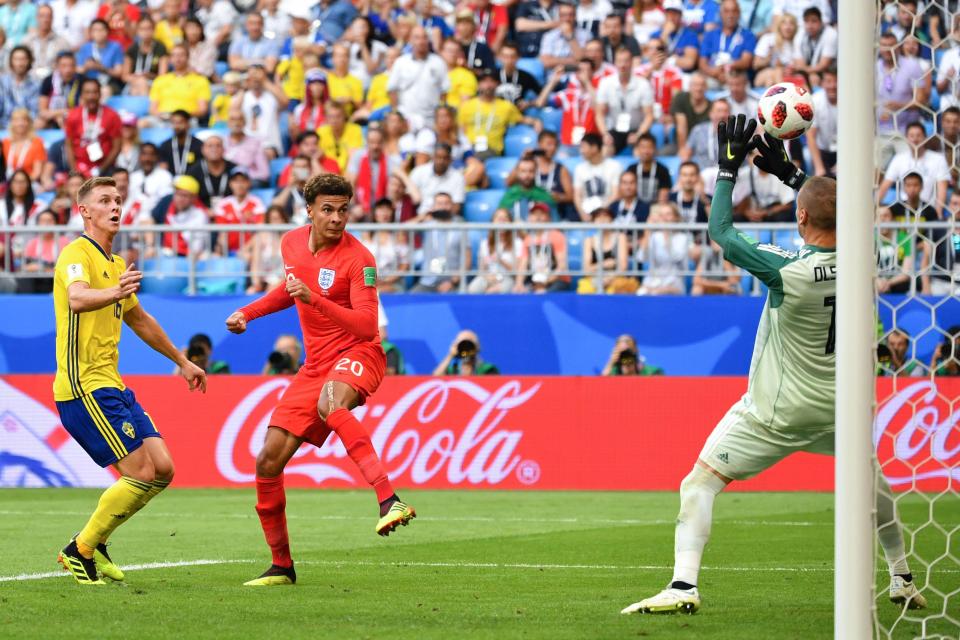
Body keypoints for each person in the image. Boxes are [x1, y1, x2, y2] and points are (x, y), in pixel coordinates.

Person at [621, 115, 926, 615]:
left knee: (700, 482)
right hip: (840, 410)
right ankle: (901, 576)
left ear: (800, 220)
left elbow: (721, 230)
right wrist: (794, 177)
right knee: (876, 490)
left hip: (775, 411)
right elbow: (833, 211)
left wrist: (727, 169)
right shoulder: (865, 255)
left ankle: (682, 586)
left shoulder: (788, 271)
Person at [225, 173, 416, 586]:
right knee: (268, 460)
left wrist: (317, 300)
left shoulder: (359, 259)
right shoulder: (291, 243)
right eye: (327, 210)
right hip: (315, 365)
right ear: (308, 210)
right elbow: (289, 290)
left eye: (343, 210)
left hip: (360, 355)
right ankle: (282, 566)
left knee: (331, 405)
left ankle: (389, 499)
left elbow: (367, 327)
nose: (336, 218)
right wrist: (249, 313)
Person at [53, 176, 206, 585]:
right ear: (85, 210)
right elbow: (78, 298)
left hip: (113, 384)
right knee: (139, 469)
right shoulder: (76, 254)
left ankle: (94, 541)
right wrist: (115, 294)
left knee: (162, 469)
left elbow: (139, 319)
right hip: (83, 386)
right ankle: (80, 549)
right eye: (104, 200)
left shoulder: (117, 265)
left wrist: (182, 361)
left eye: (118, 199)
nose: (115, 206)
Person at [595, 46, 654, 153]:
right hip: (614, 130)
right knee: (605, 151)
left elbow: (649, 115)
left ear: (631, 62)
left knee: (640, 153)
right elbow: (599, 113)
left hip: (637, 129)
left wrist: (638, 134)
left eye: (626, 61)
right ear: (615, 63)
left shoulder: (643, 84)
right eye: (619, 61)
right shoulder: (606, 83)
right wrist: (605, 134)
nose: (623, 65)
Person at [386, 26, 449, 127]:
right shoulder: (401, 62)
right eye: (417, 37)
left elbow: (444, 91)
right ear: (410, 40)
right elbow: (392, 89)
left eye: (424, 37)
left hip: (431, 118)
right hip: (407, 117)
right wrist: (398, 113)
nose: (421, 41)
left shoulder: (438, 62)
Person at [63, 78, 122, 179]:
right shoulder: (73, 115)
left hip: (104, 168)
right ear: (82, 95)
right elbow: (69, 145)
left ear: (100, 94)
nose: (91, 96)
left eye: (95, 92)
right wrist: (75, 171)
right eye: (87, 92)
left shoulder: (112, 116)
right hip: (79, 168)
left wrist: (100, 170)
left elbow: (116, 147)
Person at [411, 193, 469, 292]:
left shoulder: (460, 226)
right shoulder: (426, 225)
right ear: (433, 207)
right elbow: (402, 230)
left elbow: (467, 258)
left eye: (446, 203)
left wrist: (453, 281)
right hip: (428, 281)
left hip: (452, 282)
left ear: (452, 206)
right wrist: (422, 216)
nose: (443, 206)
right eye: (439, 203)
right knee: (410, 301)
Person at [516, 201, 570, 292]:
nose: (538, 217)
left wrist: (545, 282)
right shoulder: (528, 239)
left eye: (541, 214)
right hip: (535, 279)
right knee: (519, 292)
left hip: (556, 280)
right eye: (534, 214)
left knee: (543, 293)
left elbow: (562, 266)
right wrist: (518, 284)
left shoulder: (557, 235)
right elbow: (523, 265)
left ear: (548, 218)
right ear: (529, 218)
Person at [148, 44, 211, 122]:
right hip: (163, 118)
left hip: (187, 119)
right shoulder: (160, 80)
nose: (177, 58)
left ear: (188, 58)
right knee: (143, 123)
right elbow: (152, 109)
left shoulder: (200, 80)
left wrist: (182, 116)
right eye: (174, 55)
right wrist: (163, 115)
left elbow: (203, 109)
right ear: (170, 59)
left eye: (181, 55)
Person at [469, 208, 523, 293]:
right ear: (492, 222)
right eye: (498, 218)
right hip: (489, 276)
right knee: (473, 289)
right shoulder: (484, 243)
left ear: (510, 223)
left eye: (505, 219)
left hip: (508, 277)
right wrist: (488, 277)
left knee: (494, 291)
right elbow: (481, 269)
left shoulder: (518, 243)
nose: (502, 221)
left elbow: (517, 271)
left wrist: (501, 261)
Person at [573, 132, 621, 220]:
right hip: (585, 213)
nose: (581, 151)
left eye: (583, 147)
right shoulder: (579, 168)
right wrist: (583, 214)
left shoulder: (614, 166)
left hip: (608, 212)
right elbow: (577, 196)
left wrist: (600, 213)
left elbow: (616, 194)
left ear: (594, 148)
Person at [122, 16, 167, 97]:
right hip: (134, 82)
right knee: (139, 84)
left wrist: (149, 76)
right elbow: (125, 76)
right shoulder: (132, 48)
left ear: (153, 30)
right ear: (137, 31)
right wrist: (137, 77)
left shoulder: (160, 48)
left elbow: (162, 76)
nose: (145, 32)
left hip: (154, 83)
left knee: (142, 83)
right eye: (142, 29)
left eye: (148, 28)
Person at [500, 155, 556, 221]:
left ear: (536, 172)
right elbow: (500, 219)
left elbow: (555, 221)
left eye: (531, 171)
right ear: (517, 173)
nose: (527, 175)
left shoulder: (544, 195)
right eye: (523, 171)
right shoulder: (510, 195)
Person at [75, 19, 124, 93]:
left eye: (101, 30)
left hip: (108, 82)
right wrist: (86, 67)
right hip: (88, 82)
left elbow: (118, 73)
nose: (98, 33)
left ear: (107, 31)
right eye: (95, 30)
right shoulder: (85, 47)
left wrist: (101, 68)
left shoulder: (115, 47)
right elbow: (78, 70)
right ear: (91, 33)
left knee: (105, 91)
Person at [37, 52, 82, 130]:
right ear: (57, 66)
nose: (68, 70)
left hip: (75, 117)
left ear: (75, 67)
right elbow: (43, 112)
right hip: (52, 117)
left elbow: (82, 109)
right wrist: (59, 115)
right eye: (64, 66)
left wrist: (65, 115)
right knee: (39, 123)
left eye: (71, 66)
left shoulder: (82, 81)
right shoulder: (48, 81)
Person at [807, 65, 837, 178]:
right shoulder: (815, 101)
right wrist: (819, 167)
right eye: (828, 81)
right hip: (822, 152)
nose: (832, 86)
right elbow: (811, 136)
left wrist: (844, 162)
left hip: (846, 151)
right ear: (822, 83)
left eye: (836, 81)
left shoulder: (851, 101)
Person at [0, 46, 40, 127]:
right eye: (16, 59)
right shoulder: (2, 82)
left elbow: (34, 111)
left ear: (29, 61)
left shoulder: (36, 84)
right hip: (3, 125)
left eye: (23, 59)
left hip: (27, 126)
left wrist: (21, 123)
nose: (20, 63)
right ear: (11, 61)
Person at [3, 108, 46, 182]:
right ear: (11, 123)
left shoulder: (37, 142)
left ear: (29, 123)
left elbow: (37, 173)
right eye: (16, 120)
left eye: (24, 120)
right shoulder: (5, 143)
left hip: (29, 183)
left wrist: (20, 184)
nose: (20, 124)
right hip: (7, 184)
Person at [432, 330, 499, 375]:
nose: (466, 349)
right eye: (463, 344)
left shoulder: (488, 369)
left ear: (478, 346)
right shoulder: (453, 370)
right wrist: (450, 355)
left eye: (469, 344)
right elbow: (435, 381)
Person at [157, 110, 203, 177]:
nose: (176, 126)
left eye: (180, 122)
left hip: (192, 183)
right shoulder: (165, 146)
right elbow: (163, 170)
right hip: (171, 183)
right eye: (173, 123)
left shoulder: (199, 145)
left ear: (188, 124)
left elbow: (201, 169)